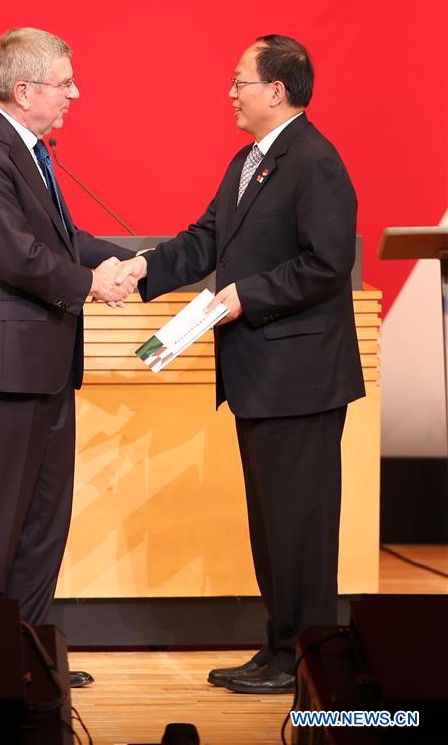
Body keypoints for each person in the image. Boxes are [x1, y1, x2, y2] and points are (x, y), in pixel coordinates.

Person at [115, 35, 365, 694]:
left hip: (300, 379)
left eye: (239, 82)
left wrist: (245, 294)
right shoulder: (248, 160)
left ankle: (307, 663)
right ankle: (279, 647)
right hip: (259, 377)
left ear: (276, 90)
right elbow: (207, 238)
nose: (230, 93)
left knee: (302, 531)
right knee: (272, 526)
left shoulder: (315, 161)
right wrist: (143, 267)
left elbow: (326, 262)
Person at [0, 27, 136, 686]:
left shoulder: (28, 150)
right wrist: (91, 283)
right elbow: (15, 255)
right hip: (2, 370)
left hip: (45, 365)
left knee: (42, 521)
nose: (74, 94)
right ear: (24, 90)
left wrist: (133, 263)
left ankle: (23, 653)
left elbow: (64, 237)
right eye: (64, 83)